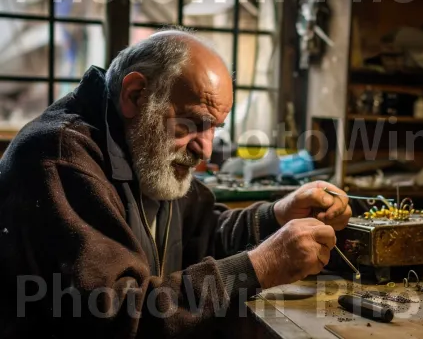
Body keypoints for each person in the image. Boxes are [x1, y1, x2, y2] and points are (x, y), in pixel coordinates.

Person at [0, 28, 352, 338]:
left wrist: (276, 215)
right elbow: (118, 316)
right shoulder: (61, 158)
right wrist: (258, 266)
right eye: (196, 123)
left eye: (215, 128)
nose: (206, 148)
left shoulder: (142, 148)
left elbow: (202, 232)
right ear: (136, 95)